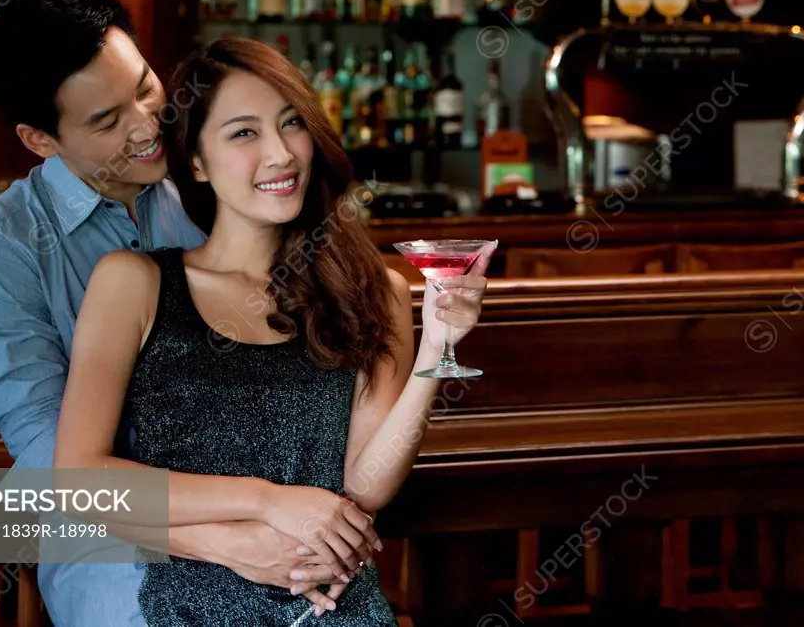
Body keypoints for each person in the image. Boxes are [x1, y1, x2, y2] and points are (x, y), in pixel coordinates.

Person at [52, 36, 494, 625]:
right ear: (198, 163)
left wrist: (438, 347)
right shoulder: (133, 283)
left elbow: (366, 486)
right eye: (243, 133)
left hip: (338, 608)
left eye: (291, 124)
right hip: (192, 613)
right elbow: (81, 481)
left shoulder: (373, 288)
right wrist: (269, 503)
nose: (281, 154)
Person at [0, 0, 350, 627]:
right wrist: (230, 538)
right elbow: (59, 475)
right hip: (113, 548)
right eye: (108, 121)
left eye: (143, 87)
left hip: (267, 509)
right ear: (40, 140)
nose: (147, 126)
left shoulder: (210, 183)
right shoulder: (4, 252)